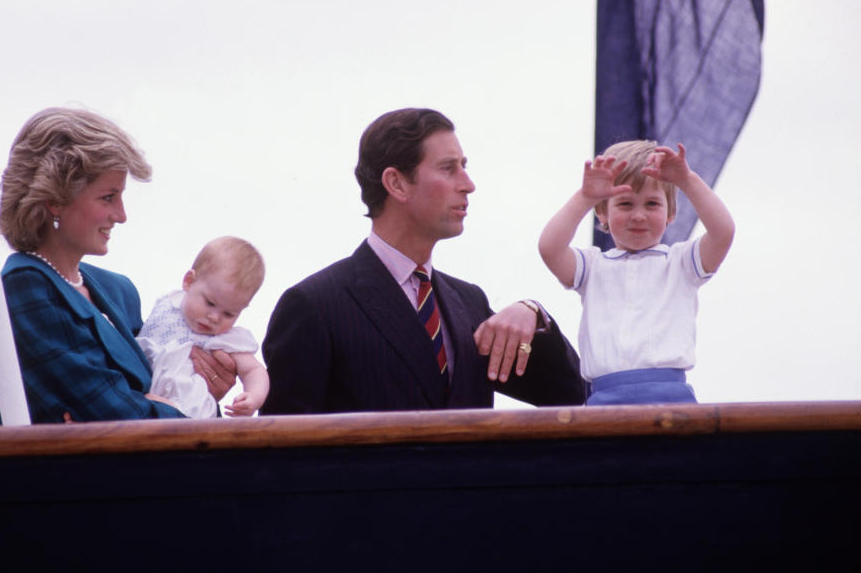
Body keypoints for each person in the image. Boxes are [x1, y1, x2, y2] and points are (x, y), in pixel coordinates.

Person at [260, 107, 584, 414]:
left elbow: (571, 393)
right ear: (396, 183)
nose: (468, 185)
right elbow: (282, 454)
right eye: (448, 168)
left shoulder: (469, 302)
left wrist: (533, 313)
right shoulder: (314, 305)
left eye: (464, 166)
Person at [0, 107, 236, 424]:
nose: (122, 215)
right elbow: (117, 416)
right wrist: (167, 407)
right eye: (108, 197)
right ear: (55, 198)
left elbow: (147, 406)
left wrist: (198, 392)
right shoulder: (23, 287)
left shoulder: (119, 292)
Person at [537, 140, 735, 405]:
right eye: (626, 204)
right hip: (604, 400)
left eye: (652, 204)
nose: (639, 216)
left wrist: (686, 180)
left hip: (672, 398)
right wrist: (585, 197)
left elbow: (723, 232)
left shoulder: (682, 263)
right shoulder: (592, 267)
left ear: (670, 212)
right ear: (603, 212)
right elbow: (549, 248)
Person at [137, 236, 270, 418]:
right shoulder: (167, 305)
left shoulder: (226, 339)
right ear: (189, 281)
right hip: (141, 393)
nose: (215, 317)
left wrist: (254, 397)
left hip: (191, 412)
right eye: (209, 302)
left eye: (229, 314)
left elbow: (254, 370)